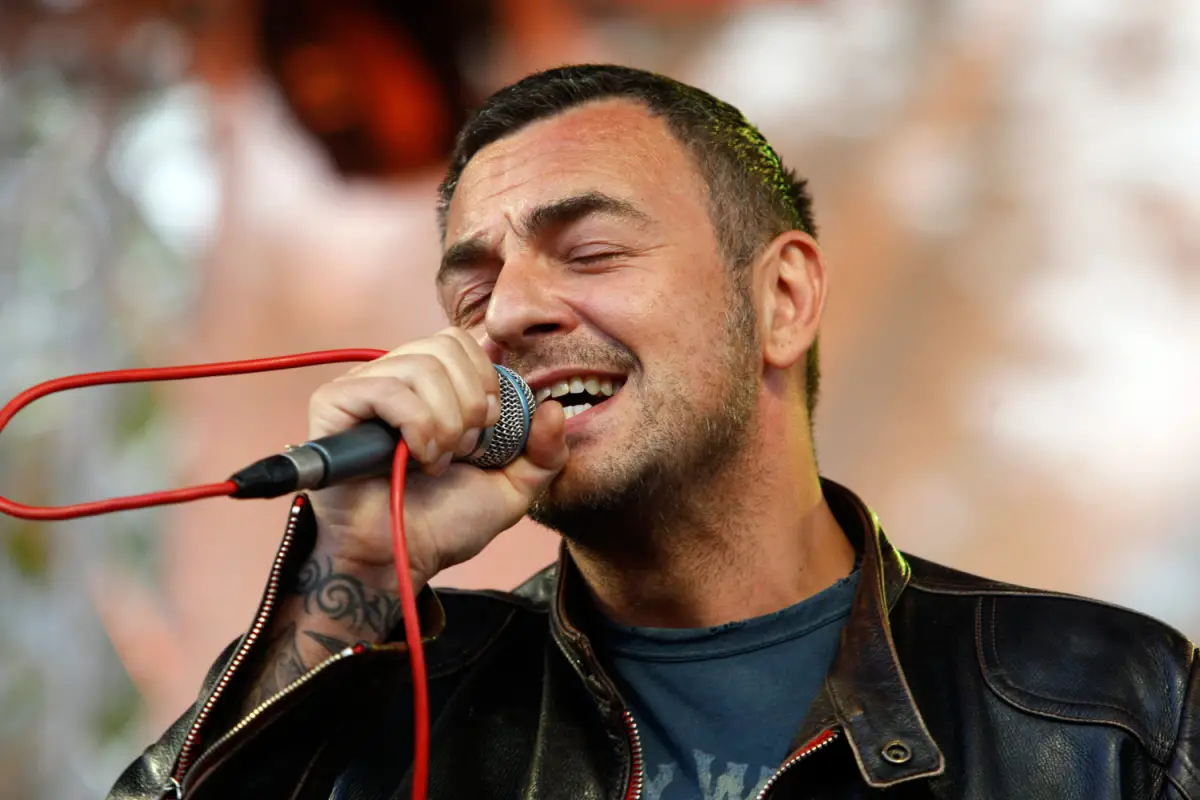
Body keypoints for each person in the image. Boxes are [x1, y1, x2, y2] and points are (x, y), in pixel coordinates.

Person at [109, 64, 1200, 800]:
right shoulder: (393, 702)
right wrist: (346, 578)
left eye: (589, 252)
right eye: (471, 290)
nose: (510, 313)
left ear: (782, 300)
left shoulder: (1110, 708)